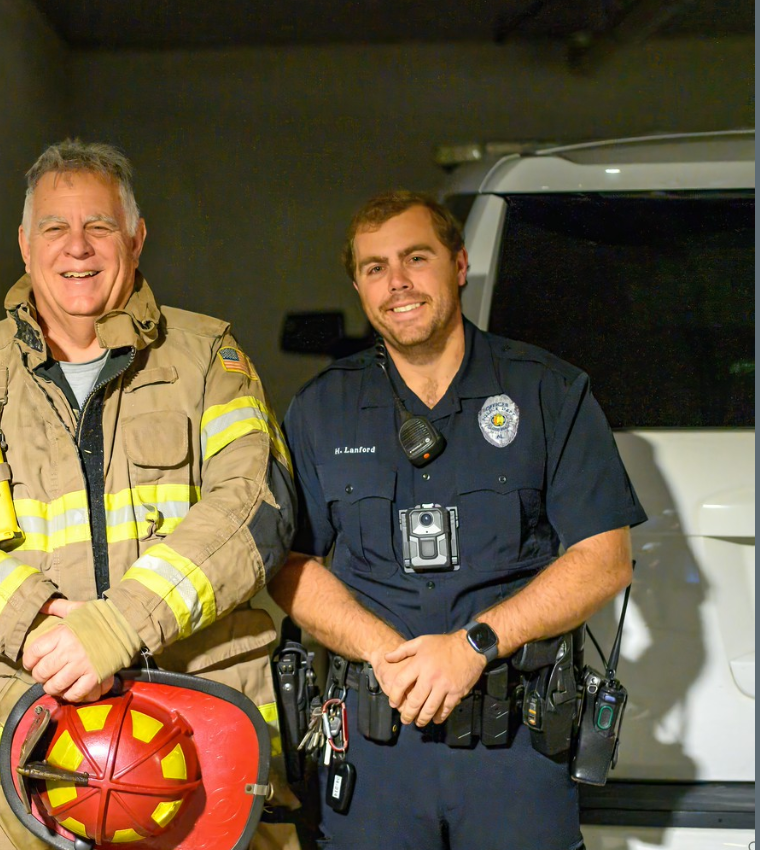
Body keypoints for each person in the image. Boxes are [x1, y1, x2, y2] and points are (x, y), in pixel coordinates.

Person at [0, 140, 299, 848]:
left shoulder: (208, 360)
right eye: (54, 228)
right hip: (2, 764)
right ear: (24, 243)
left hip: (190, 752)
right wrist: (32, 621)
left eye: (98, 226)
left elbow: (254, 508)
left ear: (136, 237)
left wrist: (118, 625)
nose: (77, 248)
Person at [271, 190, 647, 849]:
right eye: (374, 267)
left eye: (416, 258)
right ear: (358, 285)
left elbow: (602, 559)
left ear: (459, 264)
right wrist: (382, 653)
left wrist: (471, 646)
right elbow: (289, 565)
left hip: (515, 747)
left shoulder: (547, 392)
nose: (397, 283)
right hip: (372, 746)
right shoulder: (320, 409)